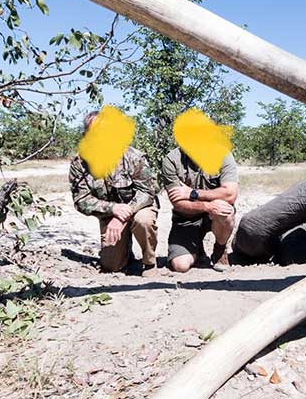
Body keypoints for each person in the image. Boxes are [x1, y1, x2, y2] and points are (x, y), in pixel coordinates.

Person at [69, 111, 159, 276]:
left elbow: (147, 192)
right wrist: (113, 209)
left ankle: (149, 263)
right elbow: (81, 200)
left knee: (143, 221)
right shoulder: (80, 164)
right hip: (109, 213)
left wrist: (121, 215)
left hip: (139, 207)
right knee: (111, 265)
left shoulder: (133, 157)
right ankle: (125, 253)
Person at [160, 145, 238, 273]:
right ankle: (197, 250)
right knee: (180, 266)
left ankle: (220, 250)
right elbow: (178, 203)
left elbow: (230, 194)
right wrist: (207, 206)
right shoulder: (172, 159)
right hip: (186, 217)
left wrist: (193, 193)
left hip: (215, 213)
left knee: (225, 210)